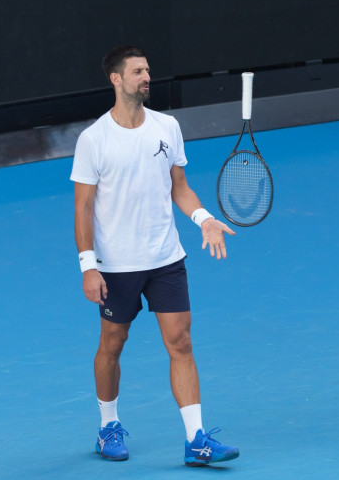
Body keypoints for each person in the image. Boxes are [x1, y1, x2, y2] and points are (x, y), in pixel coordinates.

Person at [71, 45, 240, 464]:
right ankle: (108, 426)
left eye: (148, 70)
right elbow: (83, 208)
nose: (147, 77)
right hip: (117, 267)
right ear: (116, 79)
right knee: (113, 343)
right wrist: (88, 266)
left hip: (166, 258)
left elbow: (178, 186)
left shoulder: (167, 127)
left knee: (180, 342)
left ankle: (196, 438)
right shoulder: (93, 139)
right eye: (138, 72)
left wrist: (203, 219)